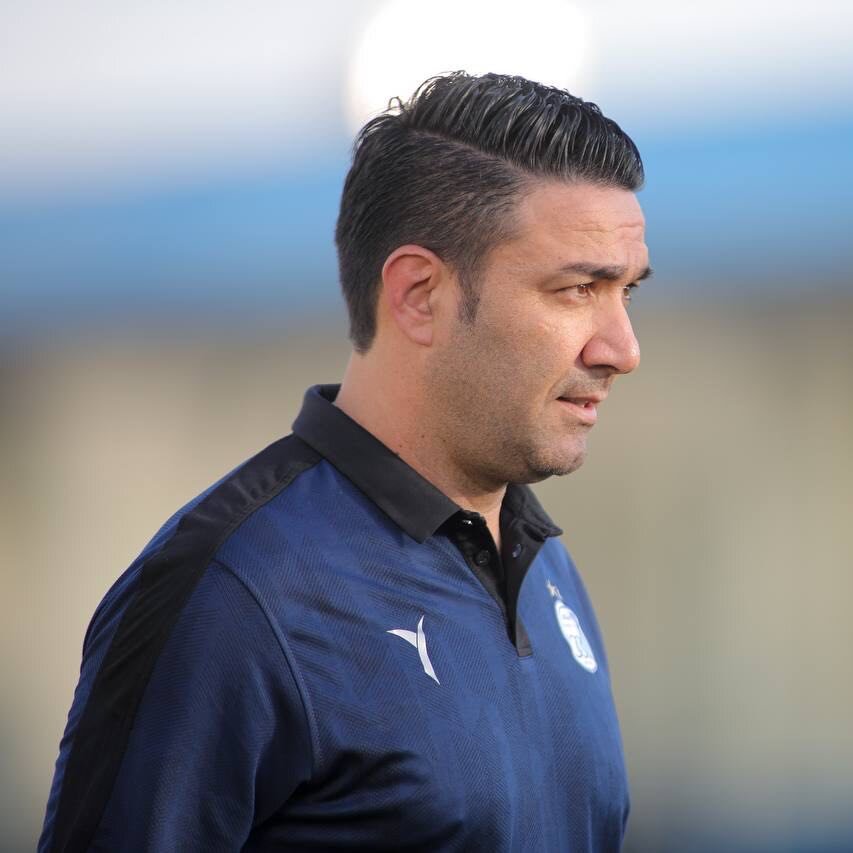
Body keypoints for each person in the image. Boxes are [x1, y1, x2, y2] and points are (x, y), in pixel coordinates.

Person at [40, 72, 650, 852]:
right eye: (576, 290)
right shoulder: (235, 594)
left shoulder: (547, 571)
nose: (622, 349)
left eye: (627, 291)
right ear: (419, 294)